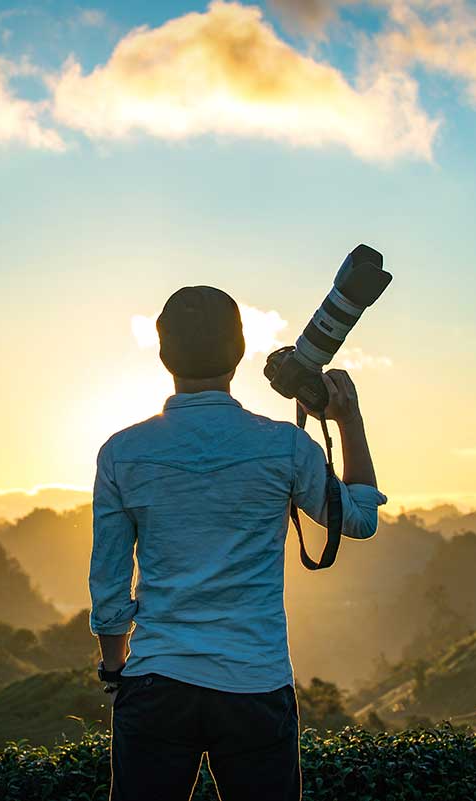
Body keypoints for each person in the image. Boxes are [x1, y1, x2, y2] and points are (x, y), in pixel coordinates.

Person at [89, 285, 386, 801]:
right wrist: (349, 420)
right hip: (255, 683)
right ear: (240, 351)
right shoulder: (285, 446)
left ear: (163, 354)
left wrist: (116, 671)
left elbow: (110, 586)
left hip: (157, 680)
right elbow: (358, 519)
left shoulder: (121, 453)